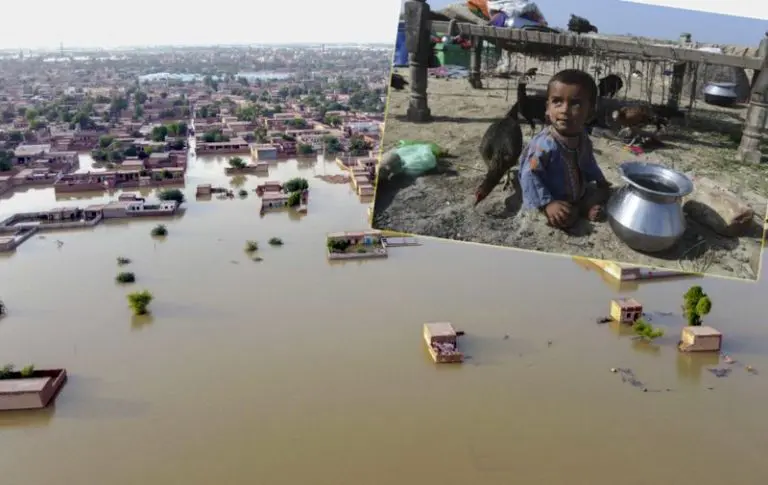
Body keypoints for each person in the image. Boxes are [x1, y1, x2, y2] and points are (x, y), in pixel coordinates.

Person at [518, 69, 611, 230]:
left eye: (575, 104)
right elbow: (529, 174)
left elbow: (588, 161)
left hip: (577, 190)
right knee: (564, 217)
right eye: (557, 101)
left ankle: (582, 207)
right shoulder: (544, 144)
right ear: (548, 108)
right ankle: (579, 210)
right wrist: (548, 203)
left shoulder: (582, 137)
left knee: (603, 193)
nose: (565, 110)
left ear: (590, 112)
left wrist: (600, 179)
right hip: (553, 197)